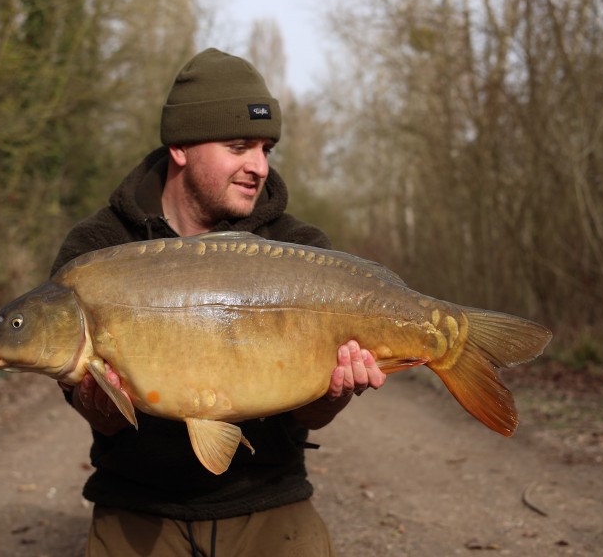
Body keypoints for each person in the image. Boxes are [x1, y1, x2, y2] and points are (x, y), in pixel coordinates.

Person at [51, 48, 387, 557]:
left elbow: (312, 416)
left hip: (271, 500)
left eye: (266, 148)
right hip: (137, 507)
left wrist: (333, 392)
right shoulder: (98, 247)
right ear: (181, 147)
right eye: (238, 146)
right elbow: (93, 411)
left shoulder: (302, 249)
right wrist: (103, 404)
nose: (259, 166)